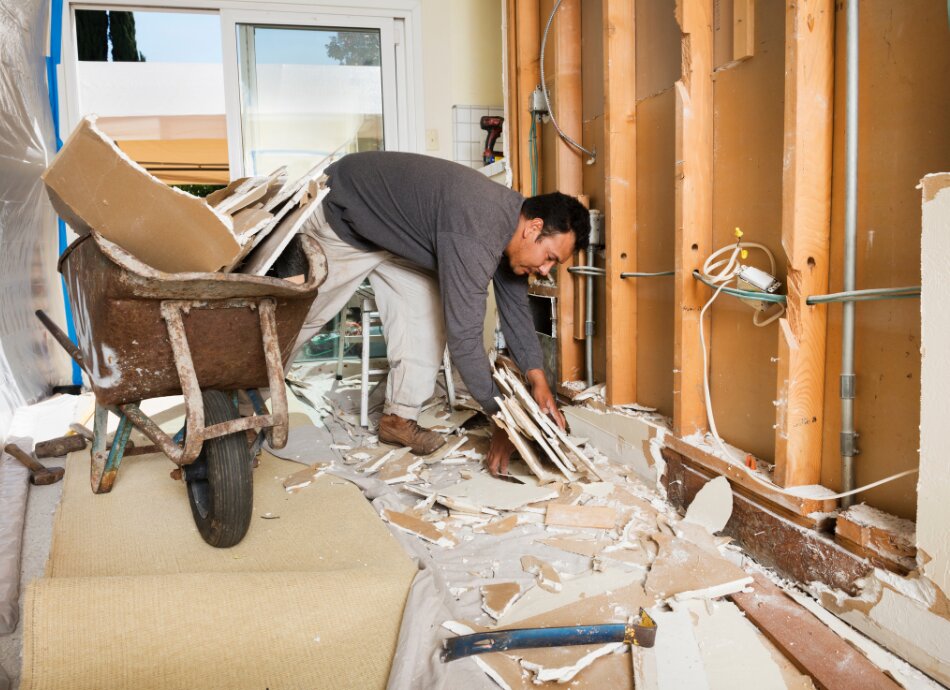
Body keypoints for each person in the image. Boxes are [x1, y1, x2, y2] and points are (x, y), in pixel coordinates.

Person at [293, 151, 590, 475]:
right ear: (533, 228)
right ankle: (247, 399)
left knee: (426, 321)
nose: (546, 270)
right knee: (298, 319)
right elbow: (465, 341)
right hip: (344, 216)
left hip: (397, 238)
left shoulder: (509, 231)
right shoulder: (476, 233)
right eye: (549, 257)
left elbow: (516, 310)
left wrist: (537, 378)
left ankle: (398, 420)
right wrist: (502, 417)